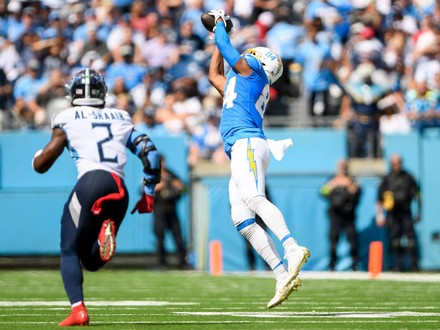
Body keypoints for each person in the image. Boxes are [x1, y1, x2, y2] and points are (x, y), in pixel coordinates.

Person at [31, 68, 161, 326]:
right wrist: (147, 193)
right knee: (89, 261)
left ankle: (78, 309)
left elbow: (43, 164)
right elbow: (151, 153)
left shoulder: (67, 117)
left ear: (73, 94)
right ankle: (105, 239)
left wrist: (36, 158)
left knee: (68, 248)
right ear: (103, 93)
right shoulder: (121, 116)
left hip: (91, 183)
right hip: (119, 190)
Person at [206, 9, 310, 309]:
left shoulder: (251, 72)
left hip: (248, 144)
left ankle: (291, 247)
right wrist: (217, 38)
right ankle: (280, 273)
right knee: (241, 219)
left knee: (253, 198)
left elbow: (229, 50)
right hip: (242, 146)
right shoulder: (242, 81)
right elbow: (214, 74)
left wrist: (222, 25)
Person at [376, 154, 422, 272]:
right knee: (395, 240)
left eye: (398, 162)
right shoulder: (387, 178)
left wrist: (419, 212)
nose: (396, 165)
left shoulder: (408, 177)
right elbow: (379, 198)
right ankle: (397, 265)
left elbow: (418, 195)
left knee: (411, 240)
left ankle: (414, 265)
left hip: (406, 211)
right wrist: (380, 215)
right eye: (394, 163)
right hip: (392, 213)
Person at [320, 159, 361, 271]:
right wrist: (331, 185)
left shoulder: (352, 180)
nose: (342, 168)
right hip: (335, 215)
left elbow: (358, 194)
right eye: (340, 166)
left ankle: (355, 265)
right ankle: (332, 265)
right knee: (333, 240)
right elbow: (322, 192)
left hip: (348, 215)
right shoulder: (332, 180)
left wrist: (351, 188)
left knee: (352, 240)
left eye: (344, 166)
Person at [153, 155, 190, 270]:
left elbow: (184, 187)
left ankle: (182, 263)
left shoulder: (171, 174)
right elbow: (144, 190)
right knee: (160, 239)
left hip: (171, 209)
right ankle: (162, 263)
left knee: (178, 238)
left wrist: (178, 186)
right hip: (159, 210)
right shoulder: (152, 175)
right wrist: (159, 186)